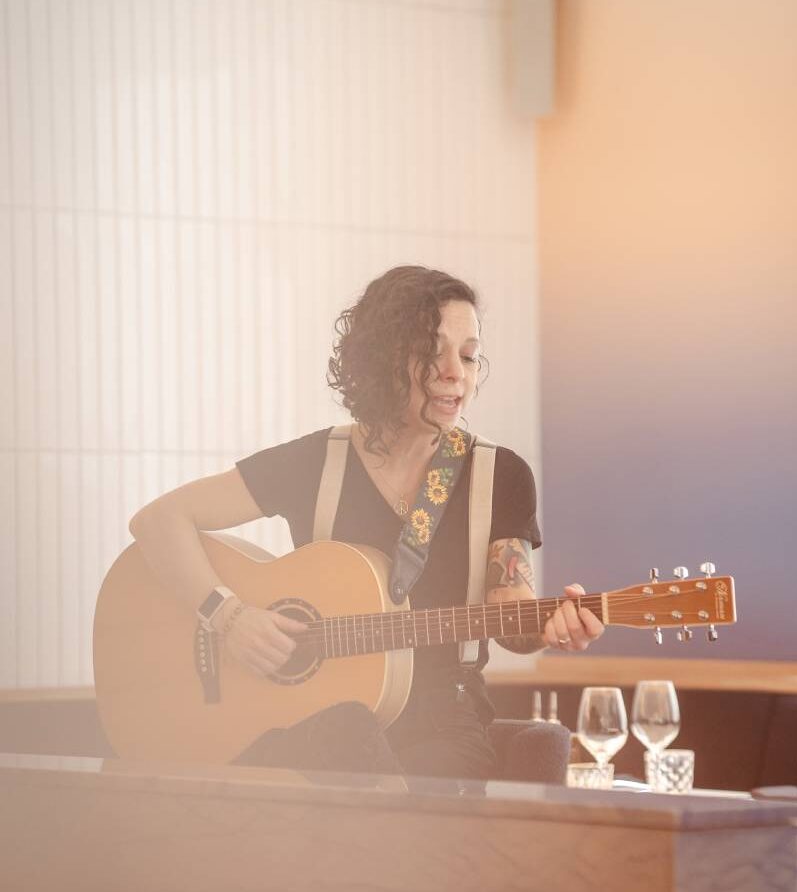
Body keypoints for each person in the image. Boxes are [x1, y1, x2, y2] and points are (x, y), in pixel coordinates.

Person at [128, 265, 604, 779]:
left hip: (440, 725)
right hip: (315, 723)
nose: (455, 373)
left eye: (468, 356)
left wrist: (549, 629)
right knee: (344, 733)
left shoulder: (499, 474)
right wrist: (229, 617)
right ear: (382, 359)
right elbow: (159, 521)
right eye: (432, 352)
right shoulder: (315, 463)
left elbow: (510, 614)